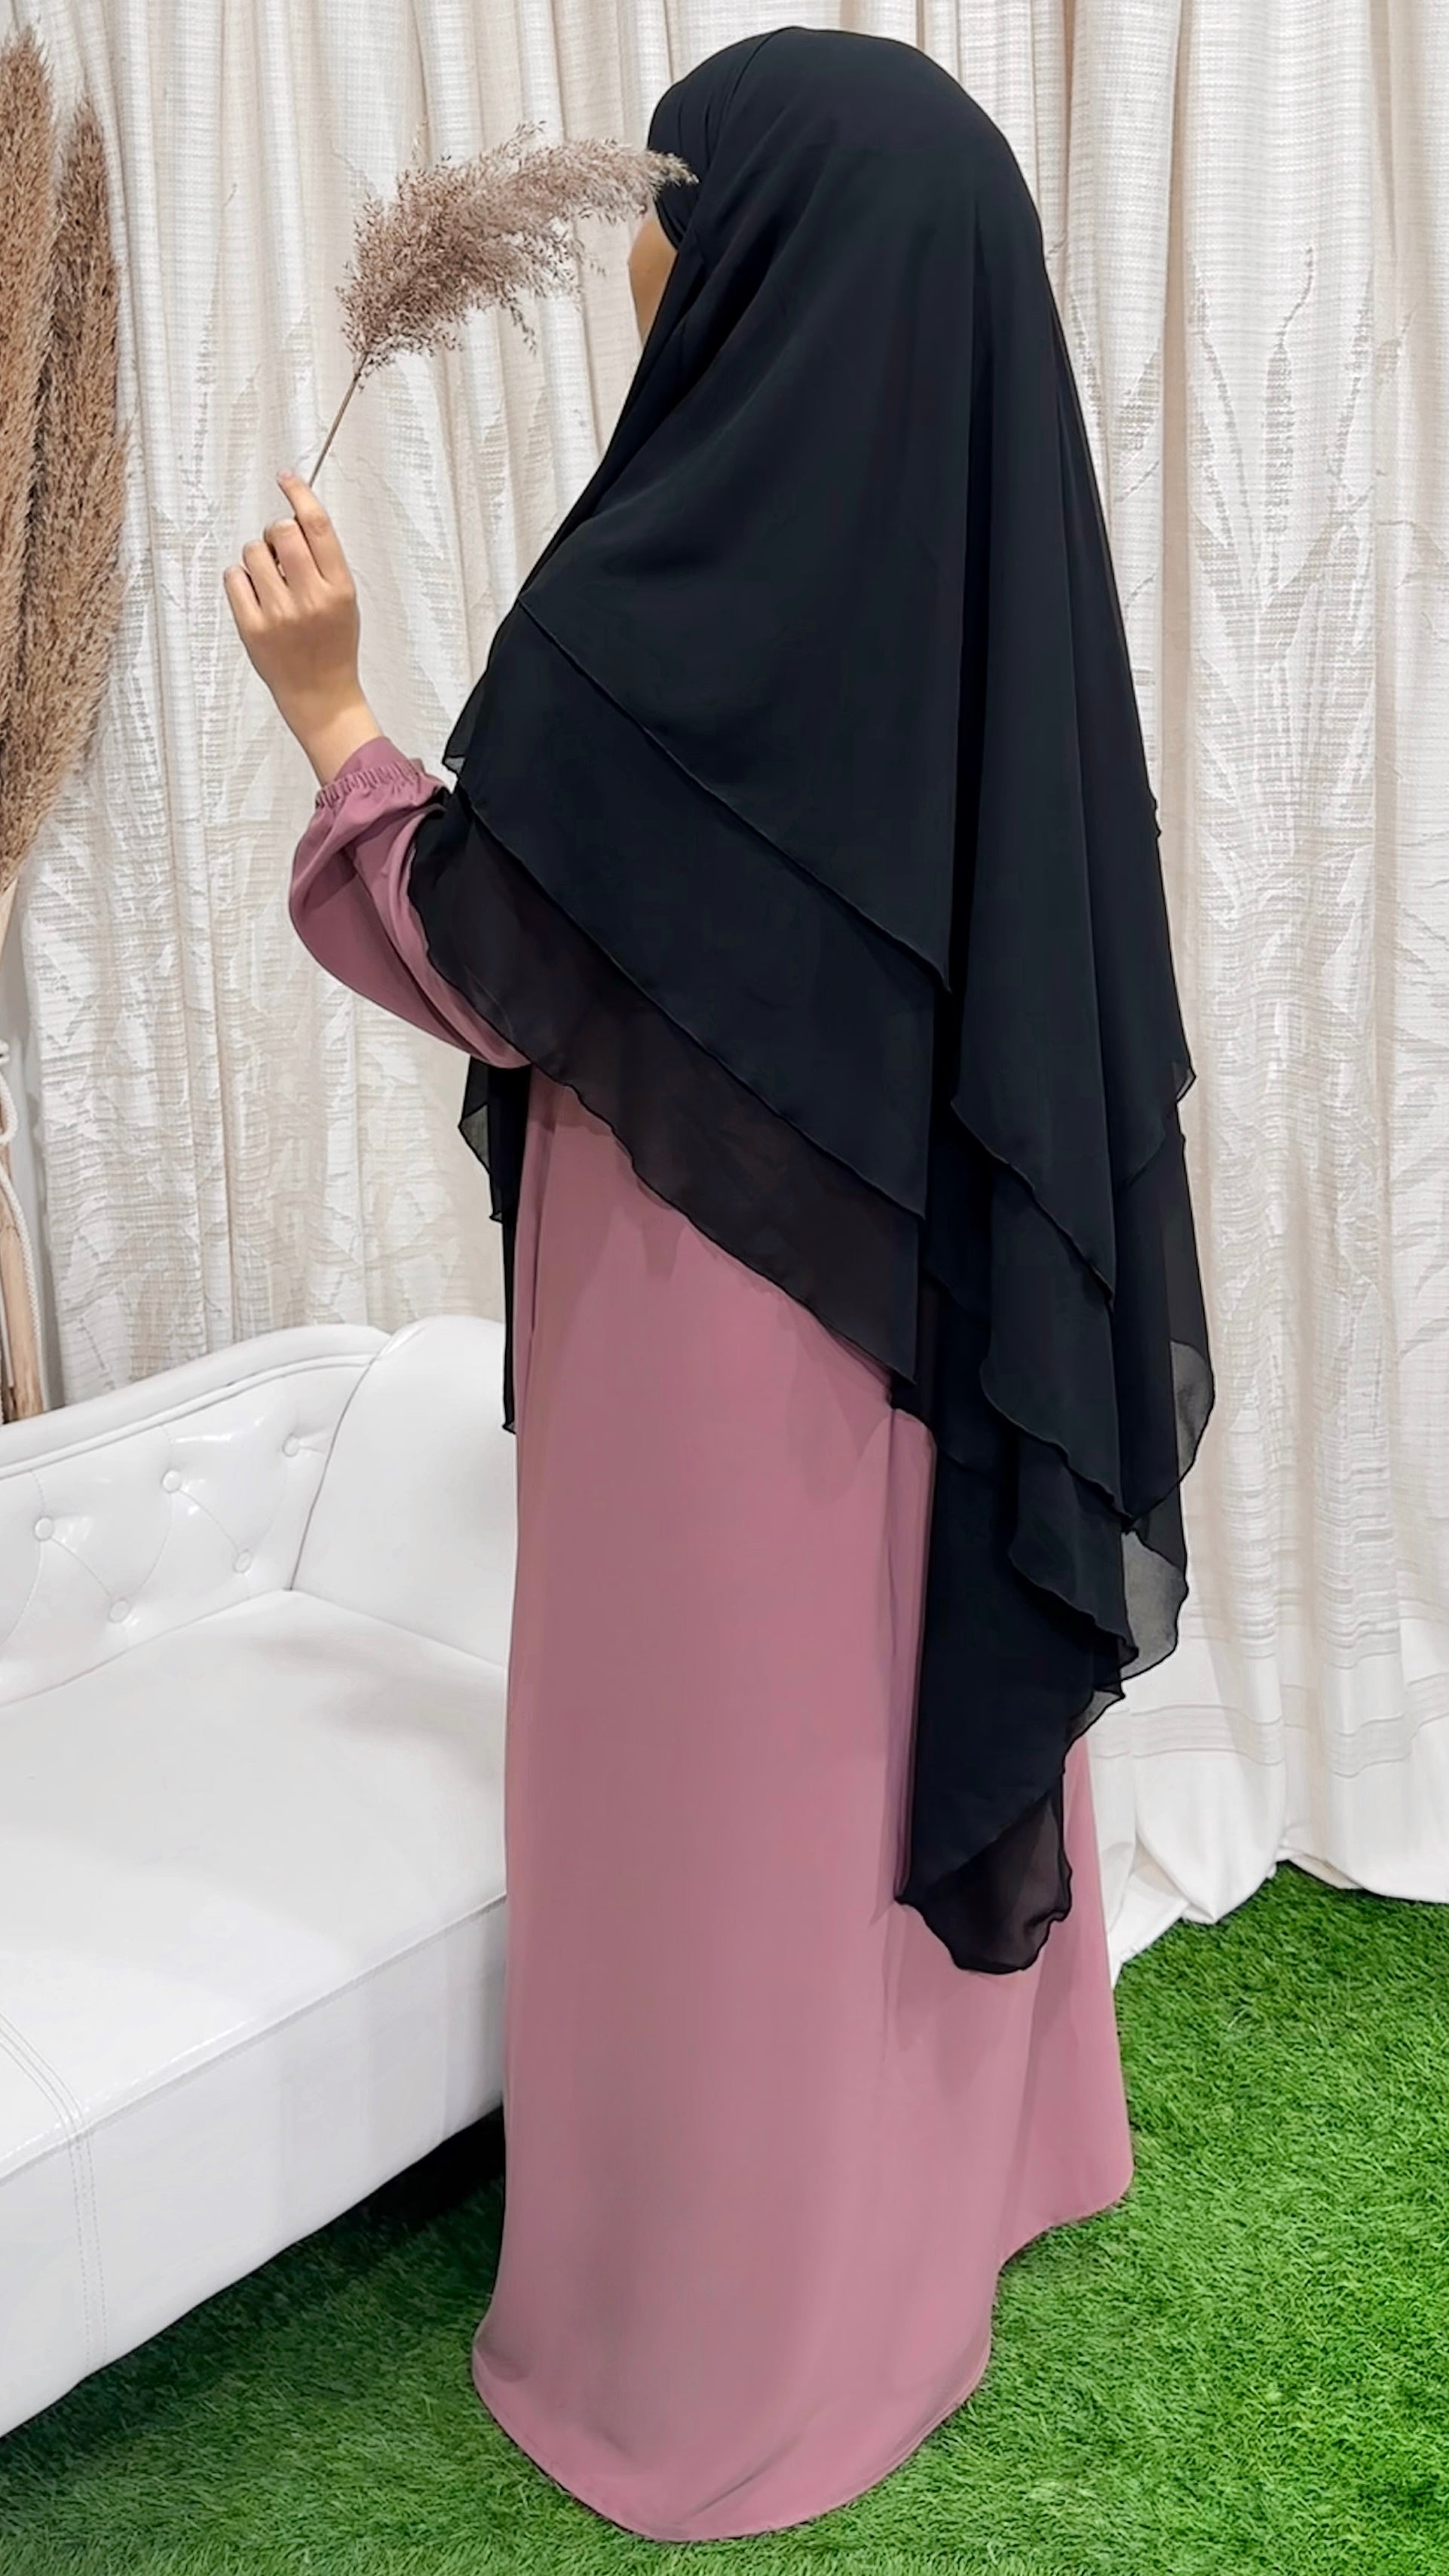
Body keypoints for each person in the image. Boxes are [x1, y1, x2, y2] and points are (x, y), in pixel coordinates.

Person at [224, 26, 1212, 2544]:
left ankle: (712, 2345)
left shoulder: (653, 601)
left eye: (670, 211)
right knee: (873, 1740)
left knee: (703, 1793)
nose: (643, 258)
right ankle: (949, 2205)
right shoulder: (990, 598)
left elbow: (493, 949)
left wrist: (334, 719)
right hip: (933, 1326)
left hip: (692, 1329)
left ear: (757, 258)